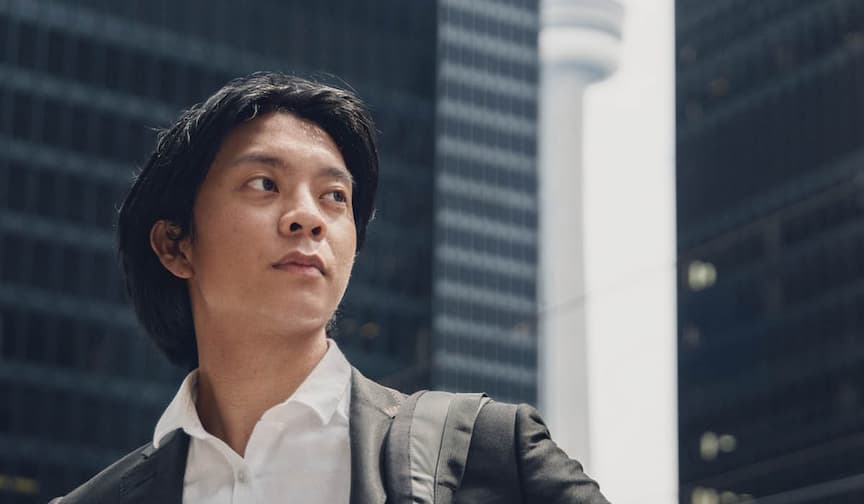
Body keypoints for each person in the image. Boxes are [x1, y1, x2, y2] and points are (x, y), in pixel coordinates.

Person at [53, 72, 610, 503]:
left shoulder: (487, 449)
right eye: (264, 183)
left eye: (333, 197)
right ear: (177, 245)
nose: (307, 217)